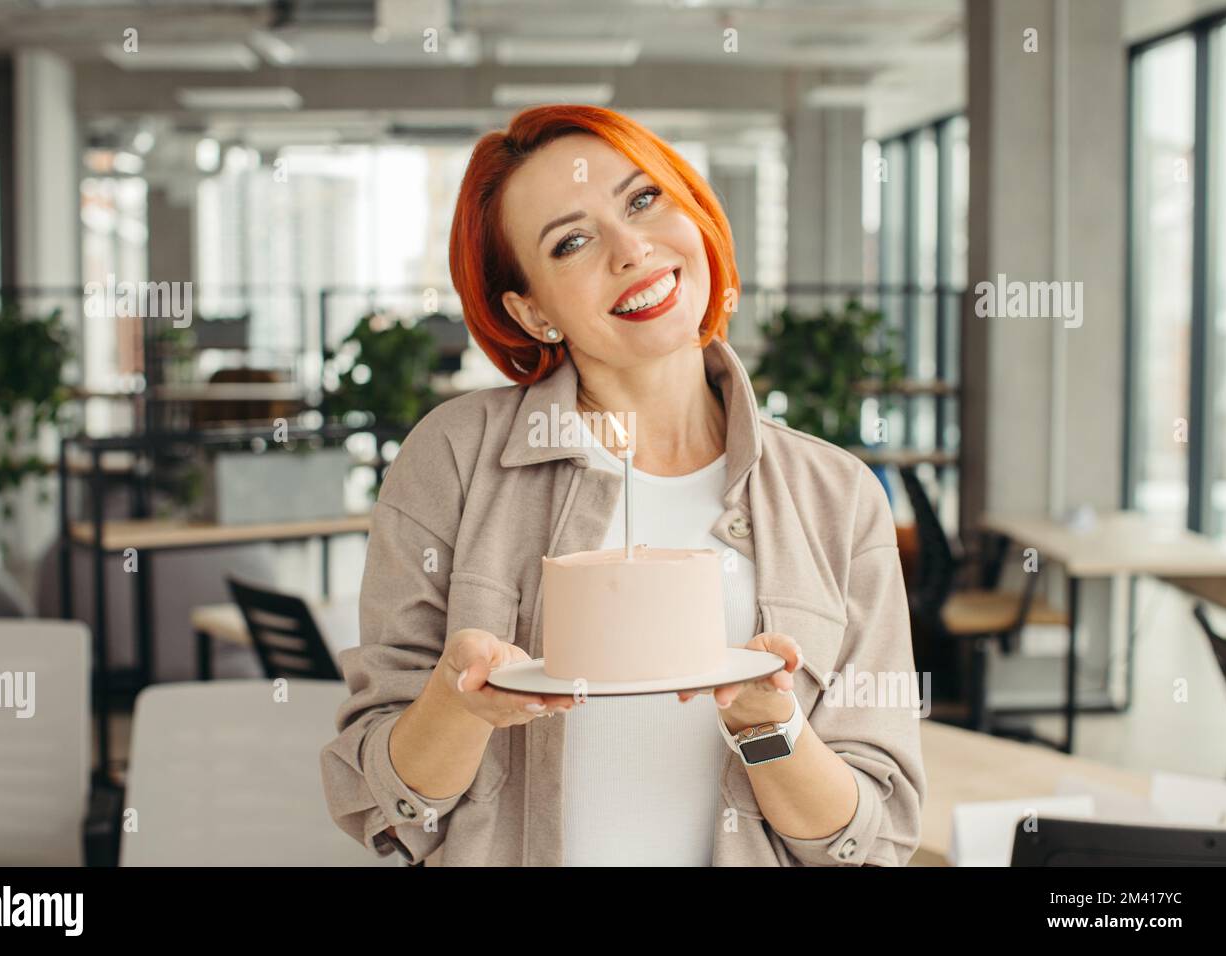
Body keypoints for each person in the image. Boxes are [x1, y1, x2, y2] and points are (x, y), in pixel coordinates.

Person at [321, 104, 925, 866]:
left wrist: (771, 729)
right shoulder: (452, 458)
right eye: (571, 241)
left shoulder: (836, 496)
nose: (632, 249)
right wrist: (458, 704)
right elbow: (380, 806)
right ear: (531, 309)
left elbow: (872, 837)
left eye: (644, 200)